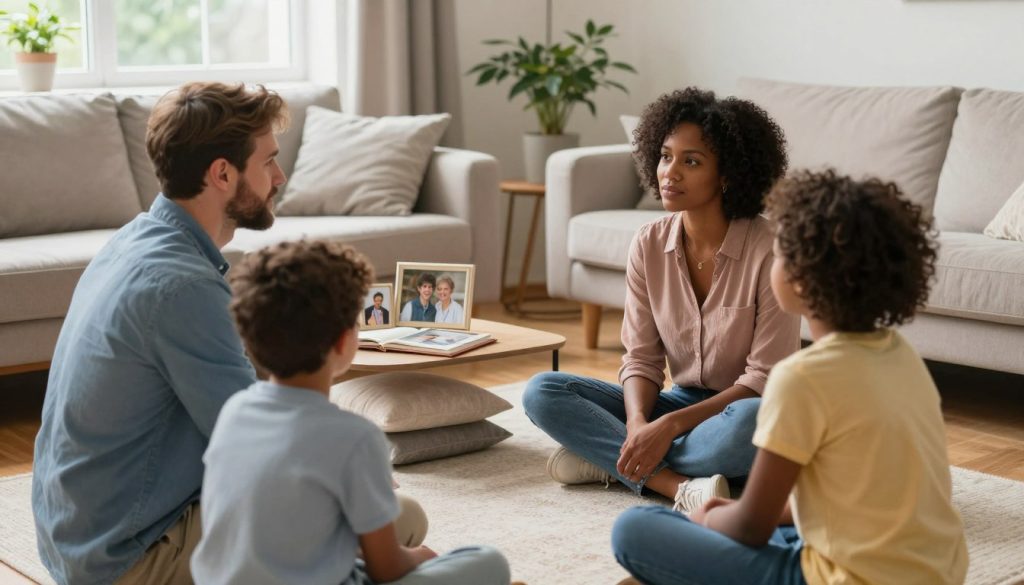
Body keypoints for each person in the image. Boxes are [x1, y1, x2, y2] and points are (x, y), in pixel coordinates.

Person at [611, 170, 969, 585]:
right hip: (939, 573)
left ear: (800, 278)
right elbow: (852, 497)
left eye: (779, 253)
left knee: (634, 529)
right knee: (771, 531)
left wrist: (711, 517)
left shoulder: (802, 378)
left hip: (840, 578)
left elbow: (750, 527)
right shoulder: (902, 357)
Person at [31, 82, 288, 584]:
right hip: (127, 558)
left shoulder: (134, 241)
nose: (279, 177)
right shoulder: (183, 286)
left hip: (74, 539)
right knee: (394, 519)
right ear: (221, 173)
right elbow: (258, 450)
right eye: (269, 162)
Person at [522, 87, 799, 513]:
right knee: (544, 390)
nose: (670, 173)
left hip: (738, 409)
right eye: (666, 156)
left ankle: (607, 460)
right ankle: (674, 485)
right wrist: (637, 425)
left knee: (754, 423)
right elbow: (640, 360)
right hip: (678, 401)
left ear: (727, 175)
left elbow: (764, 380)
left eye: (691, 161)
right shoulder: (648, 244)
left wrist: (666, 428)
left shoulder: (771, 250)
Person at [192, 240, 512, 585]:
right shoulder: (355, 437)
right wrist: (424, 557)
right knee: (487, 561)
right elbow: (387, 568)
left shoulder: (234, 411)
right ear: (345, 342)